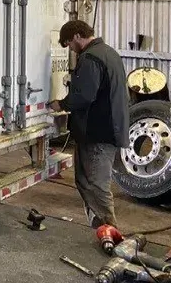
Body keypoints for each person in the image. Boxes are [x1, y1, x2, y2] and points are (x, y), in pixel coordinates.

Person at [48, 20, 128, 228]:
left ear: (76, 36)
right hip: (108, 129)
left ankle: (111, 231)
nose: (71, 49)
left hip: (98, 133)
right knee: (85, 181)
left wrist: (61, 104)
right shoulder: (109, 53)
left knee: (96, 184)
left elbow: (84, 96)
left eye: (69, 44)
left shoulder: (90, 58)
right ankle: (101, 228)